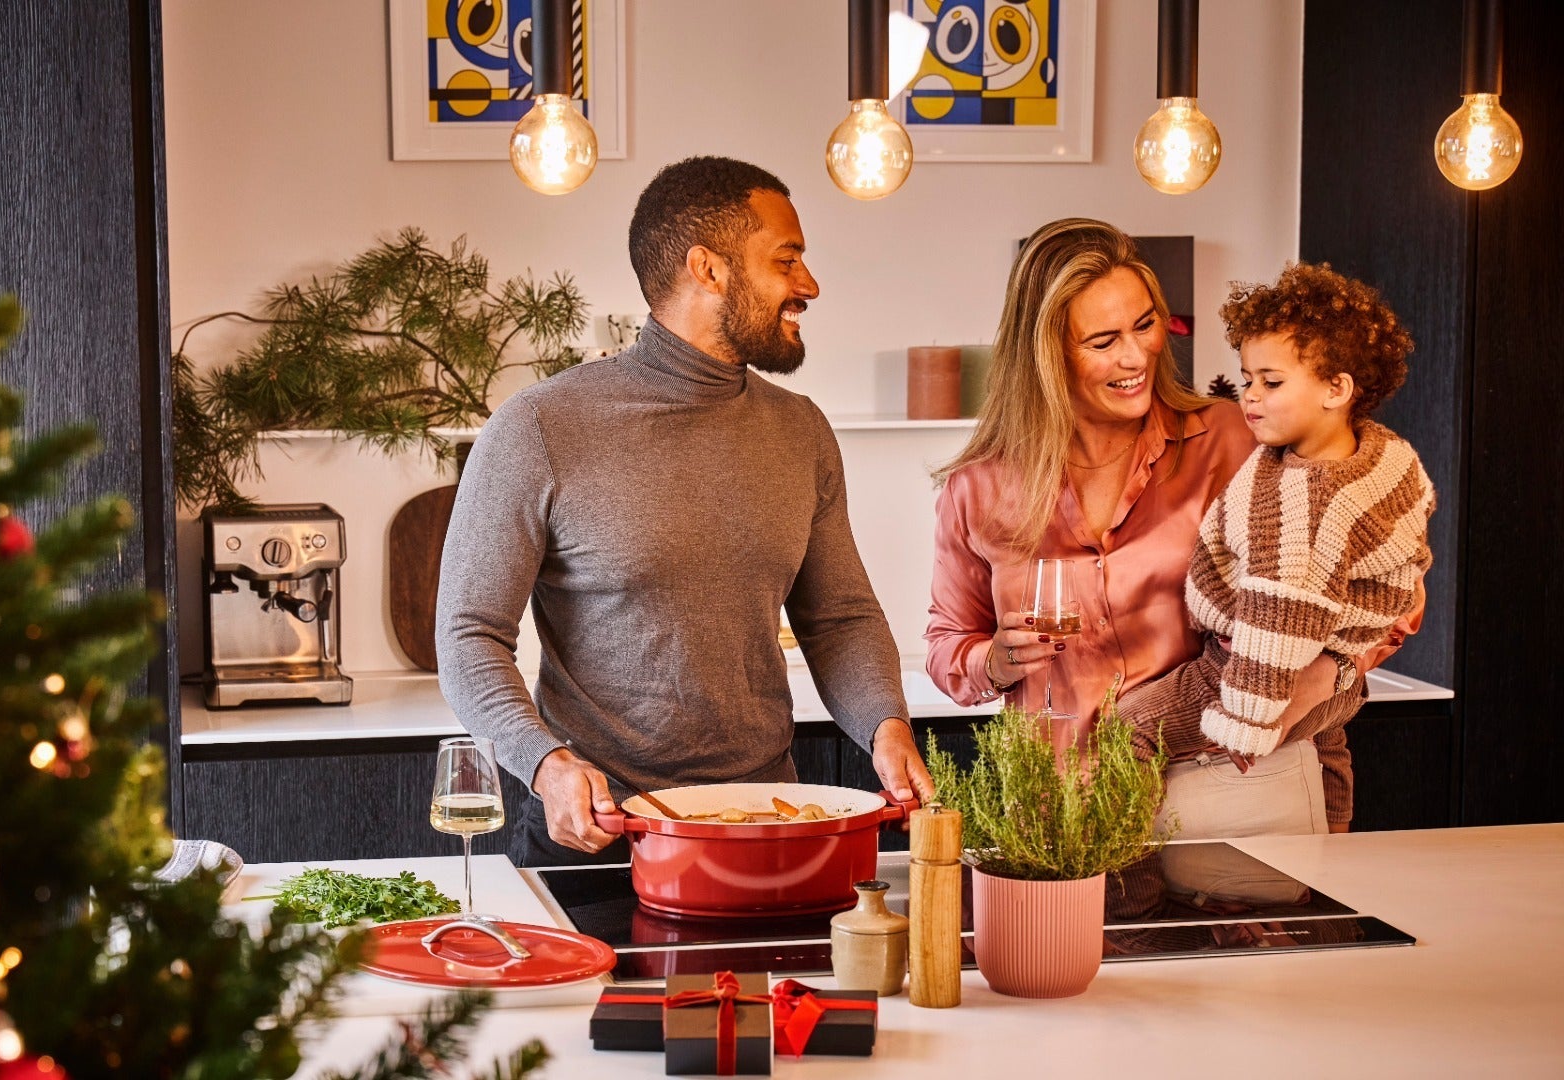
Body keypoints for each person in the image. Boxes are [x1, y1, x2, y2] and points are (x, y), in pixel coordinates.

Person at [435, 156, 933, 866]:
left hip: (769, 830)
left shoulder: (801, 432)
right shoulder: (541, 427)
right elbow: (467, 635)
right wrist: (545, 763)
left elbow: (840, 616)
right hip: (601, 837)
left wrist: (887, 726)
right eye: (786, 259)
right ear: (709, 268)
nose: (809, 284)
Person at [924, 219, 1418, 840]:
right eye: (1103, 341)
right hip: (1066, 818)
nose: (1136, 357)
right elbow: (948, 643)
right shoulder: (978, 489)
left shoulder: (1236, 440)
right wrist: (992, 660)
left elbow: (1383, 578)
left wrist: (1336, 673)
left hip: (1233, 798)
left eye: (1145, 324)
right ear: (1046, 354)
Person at [1116, 263, 1434, 833]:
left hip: (1258, 667)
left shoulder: (1299, 506)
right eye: (1247, 381)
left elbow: (1274, 622)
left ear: (1337, 388)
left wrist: (1247, 722)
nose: (1251, 398)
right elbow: (1414, 550)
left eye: (1272, 381)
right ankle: (1330, 864)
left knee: (1127, 730)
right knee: (1327, 742)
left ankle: (1132, 895)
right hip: (1339, 670)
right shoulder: (1384, 456)